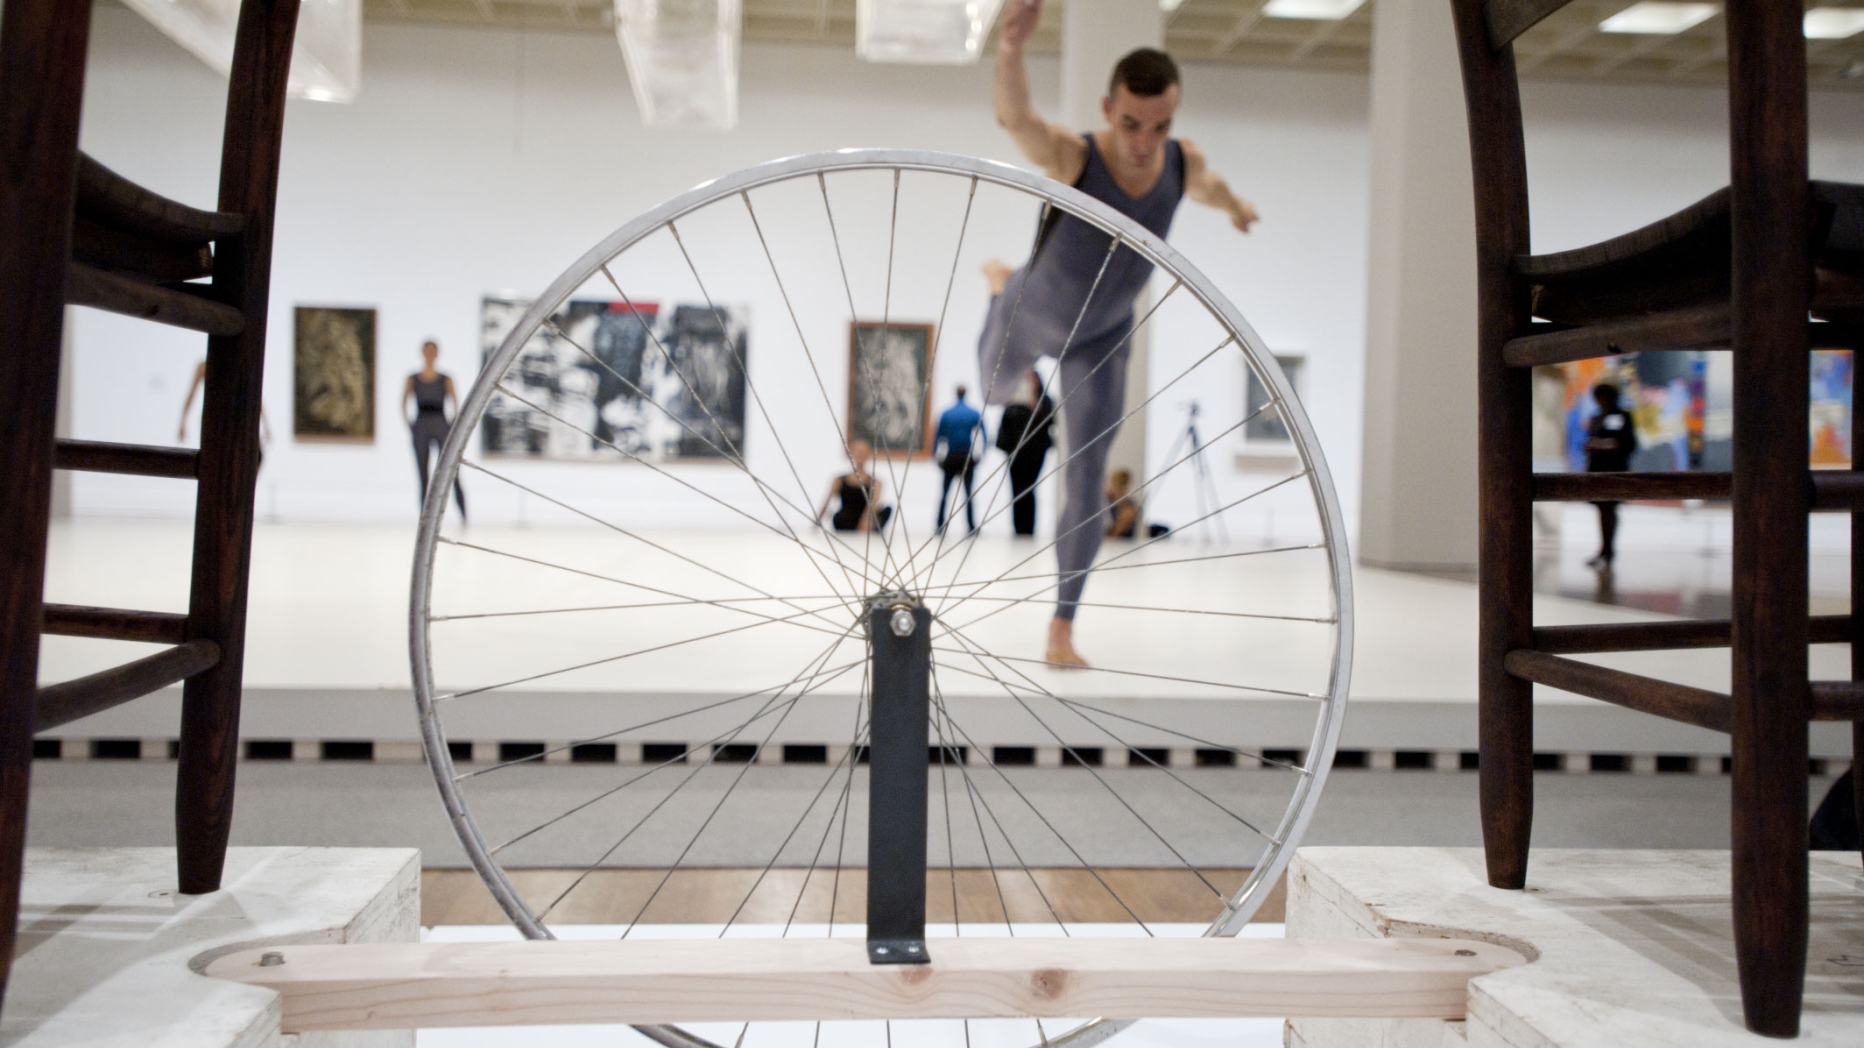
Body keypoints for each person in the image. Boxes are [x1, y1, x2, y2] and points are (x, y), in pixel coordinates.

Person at [982, 0, 1258, 667]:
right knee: (995, 391)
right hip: (1032, 310)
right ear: (1109, 109)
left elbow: (1211, 186)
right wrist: (1012, 50)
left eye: (1159, 126)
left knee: (1087, 477)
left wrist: (1236, 208)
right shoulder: (1078, 156)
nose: (1142, 141)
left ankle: (1062, 626)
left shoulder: (1178, 163)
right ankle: (996, 284)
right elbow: (1017, 121)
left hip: (1101, 335)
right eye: (1131, 123)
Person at [402, 340, 467, 520]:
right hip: (421, 424)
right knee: (423, 473)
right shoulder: (412, 378)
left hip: (440, 423)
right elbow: (403, 402)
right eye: (427, 350)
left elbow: (455, 403)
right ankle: (425, 516)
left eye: (433, 350)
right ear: (422, 352)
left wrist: (451, 424)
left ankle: (463, 513)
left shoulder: (446, 378)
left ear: (437, 353)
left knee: (450, 469)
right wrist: (411, 425)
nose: (430, 354)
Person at [995, 370, 1054, 536]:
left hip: (1035, 452)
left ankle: (1028, 528)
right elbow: (1005, 427)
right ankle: (1018, 528)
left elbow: (1049, 422)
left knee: (1029, 489)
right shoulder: (1013, 402)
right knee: (1016, 490)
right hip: (1015, 453)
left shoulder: (1044, 401)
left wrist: (1034, 405)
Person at [1583, 383, 1636, 568]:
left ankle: (1608, 550)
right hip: (1597, 470)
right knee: (1602, 511)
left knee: (1610, 510)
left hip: (1614, 470)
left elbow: (1627, 443)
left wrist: (1602, 444)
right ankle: (1605, 550)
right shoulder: (1596, 418)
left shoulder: (1622, 417)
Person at [933, 385, 985, 535]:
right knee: (968, 493)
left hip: (952, 455)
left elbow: (938, 437)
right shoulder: (973, 413)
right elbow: (984, 434)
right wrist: (981, 454)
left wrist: (936, 455)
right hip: (965, 456)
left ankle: (940, 525)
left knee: (945, 493)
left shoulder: (947, 413)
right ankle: (970, 526)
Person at [819, 440, 892, 532]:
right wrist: (817, 521)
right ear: (851, 453)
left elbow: (873, 504)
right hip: (846, 519)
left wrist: (866, 522)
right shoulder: (839, 480)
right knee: (840, 517)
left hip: (867, 521)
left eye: (863, 452)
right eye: (857, 451)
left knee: (887, 509)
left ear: (868, 454)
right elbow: (827, 501)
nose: (860, 454)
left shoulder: (875, 482)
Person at [1104, 468, 1141, 538]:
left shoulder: (1131, 506)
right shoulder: (1104, 503)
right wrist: (1119, 525)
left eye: (1122, 488)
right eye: (1116, 485)